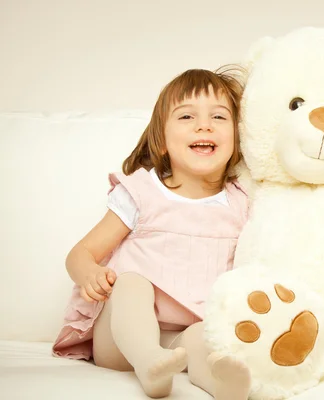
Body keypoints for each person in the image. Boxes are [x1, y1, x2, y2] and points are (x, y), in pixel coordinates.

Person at [52, 67, 251, 399]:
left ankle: (221, 383)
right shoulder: (143, 193)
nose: (204, 125)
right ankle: (147, 361)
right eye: (187, 116)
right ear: (161, 139)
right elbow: (80, 254)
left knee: (205, 336)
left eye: (219, 116)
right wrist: (90, 274)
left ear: (237, 137)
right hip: (120, 341)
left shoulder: (240, 204)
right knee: (131, 282)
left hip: (180, 340)